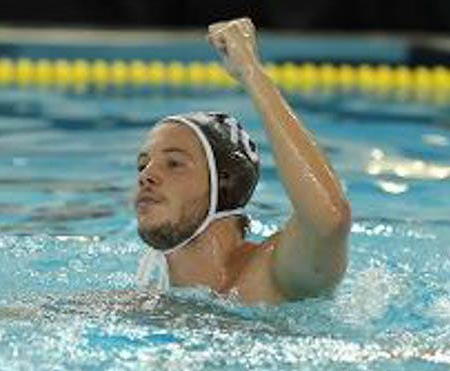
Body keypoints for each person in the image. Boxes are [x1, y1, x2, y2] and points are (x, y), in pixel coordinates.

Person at [135, 17, 350, 304]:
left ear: (224, 182)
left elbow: (329, 218)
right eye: (143, 164)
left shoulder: (273, 277)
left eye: (174, 163)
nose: (146, 176)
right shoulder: (149, 298)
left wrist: (251, 72)